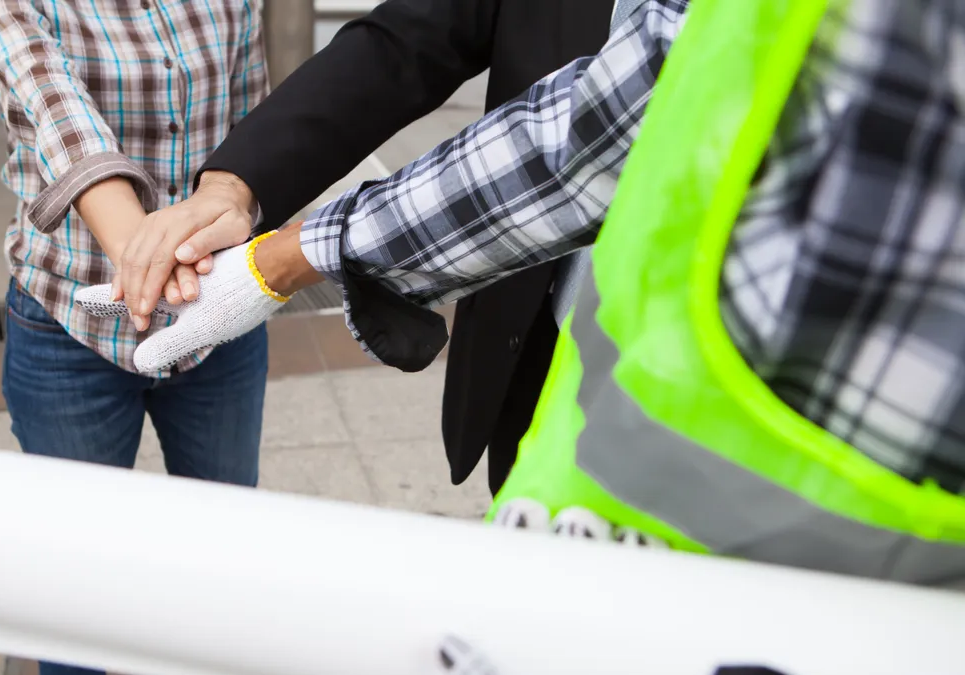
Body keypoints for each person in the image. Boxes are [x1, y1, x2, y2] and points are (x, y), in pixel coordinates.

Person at [78, 0, 965, 586]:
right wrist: (237, 183)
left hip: (787, 448)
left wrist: (297, 253)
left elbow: (602, 133)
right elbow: (414, 36)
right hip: (550, 367)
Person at [105, 0, 619, 497]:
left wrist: (287, 258)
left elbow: (579, 146)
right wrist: (233, 184)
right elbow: (408, 40)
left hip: (673, 378)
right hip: (537, 347)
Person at [0, 2, 269, 674]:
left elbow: (252, 121)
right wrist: (148, 258)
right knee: (74, 590)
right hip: (70, 318)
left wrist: (242, 211)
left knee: (222, 557)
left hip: (216, 318)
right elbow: (51, 103)